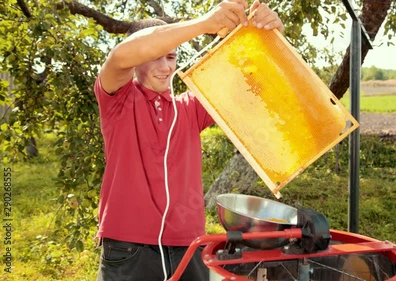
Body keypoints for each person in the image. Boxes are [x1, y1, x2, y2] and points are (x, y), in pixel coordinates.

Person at [93, 0, 284, 280]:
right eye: (156, 57)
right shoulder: (118, 99)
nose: (165, 67)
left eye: (171, 57)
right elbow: (121, 56)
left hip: (189, 246)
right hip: (129, 248)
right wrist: (205, 24)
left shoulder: (190, 107)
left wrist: (270, 34)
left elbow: (250, 77)